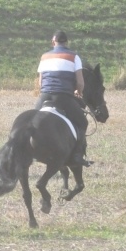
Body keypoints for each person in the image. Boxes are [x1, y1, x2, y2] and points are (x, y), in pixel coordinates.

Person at [35, 30, 89, 167]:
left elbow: (40, 83)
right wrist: (78, 92)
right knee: (83, 122)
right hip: (63, 96)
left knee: (32, 121)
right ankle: (77, 154)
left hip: (45, 95)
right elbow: (80, 83)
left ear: (53, 42)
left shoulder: (44, 57)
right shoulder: (74, 57)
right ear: (67, 42)